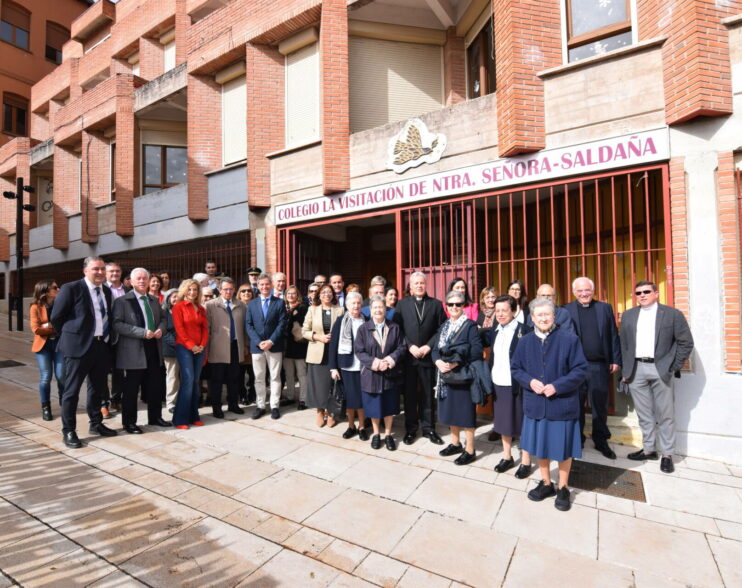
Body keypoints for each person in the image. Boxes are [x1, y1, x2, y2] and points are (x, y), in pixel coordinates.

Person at [511, 298, 588, 512]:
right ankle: (546, 483)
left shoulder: (569, 339)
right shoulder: (525, 341)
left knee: (563, 449)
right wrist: (529, 381)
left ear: (554, 316)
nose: (544, 318)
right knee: (540, 447)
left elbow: (580, 370)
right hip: (536, 404)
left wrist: (558, 385)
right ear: (532, 318)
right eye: (539, 315)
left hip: (562, 404)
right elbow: (516, 368)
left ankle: (563, 487)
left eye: (547, 314)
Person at [620, 281, 694, 474]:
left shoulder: (672, 314)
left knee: (666, 413)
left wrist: (673, 365)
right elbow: (624, 344)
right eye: (638, 293)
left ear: (656, 293)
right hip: (636, 369)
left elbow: (686, 342)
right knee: (644, 414)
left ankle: (667, 454)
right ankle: (649, 449)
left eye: (646, 292)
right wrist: (626, 370)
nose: (642, 295)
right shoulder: (629, 315)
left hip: (661, 368)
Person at [50, 256, 117, 448]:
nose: (100, 272)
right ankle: (69, 431)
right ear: (85, 271)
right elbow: (56, 317)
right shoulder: (72, 288)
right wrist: (73, 336)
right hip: (78, 347)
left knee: (97, 389)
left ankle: (96, 424)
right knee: (71, 392)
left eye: (102, 269)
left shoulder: (106, 290)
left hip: (101, 346)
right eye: (96, 269)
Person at [563, 277, 621, 459]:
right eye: (579, 291)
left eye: (587, 290)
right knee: (576, 405)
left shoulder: (604, 308)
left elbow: (613, 335)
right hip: (575, 367)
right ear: (574, 292)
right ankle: (577, 439)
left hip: (598, 365)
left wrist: (615, 359)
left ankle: (601, 440)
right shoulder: (566, 310)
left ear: (593, 290)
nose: (584, 293)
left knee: (599, 405)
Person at [112, 268, 171, 434]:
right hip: (133, 349)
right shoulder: (122, 301)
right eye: (138, 278)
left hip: (153, 347)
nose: (142, 281)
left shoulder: (153, 300)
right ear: (131, 282)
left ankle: (156, 417)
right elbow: (117, 324)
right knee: (132, 389)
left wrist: (161, 329)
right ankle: (129, 423)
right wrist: (141, 332)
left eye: (145, 278)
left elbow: (165, 319)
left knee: (155, 386)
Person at [393, 271, 447, 445]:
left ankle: (429, 428)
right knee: (409, 395)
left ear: (426, 285)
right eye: (416, 283)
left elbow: (442, 329)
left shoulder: (436, 305)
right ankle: (410, 429)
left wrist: (428, 346)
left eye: (422, 283)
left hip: (427, 357)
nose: (419, 286)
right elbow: (397, 329)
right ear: (410, 286)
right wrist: (410, 346)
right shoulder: (401, 305)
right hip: (409, 358)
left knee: (427, 394)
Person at [432, 290, 483, 465]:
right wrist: (438, 361)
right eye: (451, 304)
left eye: (458, 304)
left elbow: (477, 350)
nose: (454, 307)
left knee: (466, 413)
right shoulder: (444, 326)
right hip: (445, 376)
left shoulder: (469, 325)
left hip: (462, 376)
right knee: (451, 411)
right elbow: (434, 350)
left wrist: (455, 362)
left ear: (463, 306)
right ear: (446, 306)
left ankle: (470, 449)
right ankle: (455, 443)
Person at [486, 295, 532, 478]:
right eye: (497, 311)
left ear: (514, 311)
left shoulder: (525, 331)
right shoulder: (495, 330)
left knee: (523, 423)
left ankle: (526, 460)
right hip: (500, 383)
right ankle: (507, 456)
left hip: (518, 385)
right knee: (503, 422)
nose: (501, 314)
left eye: (504, 310)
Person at [355, 295, 407, 450]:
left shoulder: (394, 327)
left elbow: (402, 347)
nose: (378, 310)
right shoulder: (363, 329)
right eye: (375, 307)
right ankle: (377, 434)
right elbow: (359, 351)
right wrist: (375, 363)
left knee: (389, 406)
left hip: (390, 374)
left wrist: (390, 360)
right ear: (370, 310)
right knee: (374, 407)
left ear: (385, 309)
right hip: (371, 374)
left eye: (381, 307)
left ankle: (388, 434)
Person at [245, 273, 288, 419]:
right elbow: (249, 325)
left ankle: (274, 405)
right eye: (261, 284)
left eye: (267, 284)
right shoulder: (251, 304)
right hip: (257, 347)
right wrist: (258, 341)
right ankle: (261, 405)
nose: (264, 287)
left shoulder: (279, 303)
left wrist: (271, 341)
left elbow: (282, 324)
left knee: (275, 377)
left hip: (274, 346)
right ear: (257, 286)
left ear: (271, 285)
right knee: (258, 377)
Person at [329, 292, 368, 440]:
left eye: (358, 303)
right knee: (351, 398)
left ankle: (362, 426)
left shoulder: (367, 320)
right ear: (347, 305)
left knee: (362, 398)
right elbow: (333, 345)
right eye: (353, 303)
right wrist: (333, 367)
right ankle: (351, 426)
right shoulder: (340, 321)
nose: (356, 306)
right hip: (346, 366)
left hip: (364, 366)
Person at [303, 284, 344, 427]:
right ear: (319, 295)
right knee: (318, 385)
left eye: (329, 292)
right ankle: (320, 411)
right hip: (316, 352)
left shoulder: (340, 310)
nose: (327, 294)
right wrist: (318, 337)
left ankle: (331, 412)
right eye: (323, 292)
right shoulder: (312, 310)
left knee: (332, 384)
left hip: (334, 353)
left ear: (333, 295)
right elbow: (304, 331)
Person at [205, 277, 246, 418]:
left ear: (234, 289)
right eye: (225, 289)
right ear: (219, 290)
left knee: (234, 378)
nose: (228, 291)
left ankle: (233, 404)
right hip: (218, 347)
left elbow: (245, 328)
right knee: (217, 380)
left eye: (231, 289)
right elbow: (207, 329)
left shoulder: (241, 305)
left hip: (235, 346)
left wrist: (245, 345)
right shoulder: (210, 305)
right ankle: (217, 407)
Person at [171, 279, 208, 429]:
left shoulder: (201, 308)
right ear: (184, 290)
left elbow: (205, 329)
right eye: (190, 289)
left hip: (199, 348)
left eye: (195, 290)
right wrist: (191, 346)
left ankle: (194, 416)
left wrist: (201, 345)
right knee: (188, 381)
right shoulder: (178, 307)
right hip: (184, 348)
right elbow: (179, 330)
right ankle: (180, 419)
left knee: (195, 382)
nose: (192, 292)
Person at [30, 279, 65, 421]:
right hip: (43, 346)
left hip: (59, 344)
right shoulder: (35, 307)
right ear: (45, 291)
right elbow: (36, 329)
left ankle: (65, 403)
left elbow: (66, 325)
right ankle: (46, 407)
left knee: (62, 375)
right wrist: (54, 327)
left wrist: (47, 326)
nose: (58, 289)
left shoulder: (61, 304)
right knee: (45, 377)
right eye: (55, 288)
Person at [103, 261, 128, 414]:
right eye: (111, 271)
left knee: (119, 371)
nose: (115, 274)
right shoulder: (101, 289)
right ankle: (103, 403)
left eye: (117, 271)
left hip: (123, 337)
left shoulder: (127, 290)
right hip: (105, 337)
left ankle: (116, 399)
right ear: (106, 273)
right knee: (102, 371)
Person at [283, 285, 309, 410]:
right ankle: (290, 397)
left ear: (297, 295)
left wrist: (294, 313)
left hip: (299, 346)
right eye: (288, 294)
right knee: (289, 374)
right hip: (287, 346)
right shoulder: (284, 308)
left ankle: (303, 399)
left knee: (301, 374)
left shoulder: (303, 307)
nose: (291, 296)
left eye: (293, 293)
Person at [237, 284, 256, 404]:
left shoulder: (256, 305)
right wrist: (244, 345)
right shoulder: (236, 306)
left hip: (255, 345)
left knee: (254, 374)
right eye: (243, 291)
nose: (246, 293)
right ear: (239, 293)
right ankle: (242, 395)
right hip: (240, 345)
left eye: (249, 290)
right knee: (239, 374)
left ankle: (252, 394)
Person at [162, 289, 180, 414]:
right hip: (171, 349)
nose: (176, 299)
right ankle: (171, 403)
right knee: (172, 377)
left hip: (186, 348)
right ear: (168, 298)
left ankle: (182, 401)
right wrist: (177, 343)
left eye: (178, 297)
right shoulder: (164, 312)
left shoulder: (184, 310)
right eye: (174, 297)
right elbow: (164, 332)